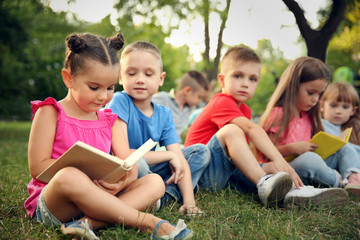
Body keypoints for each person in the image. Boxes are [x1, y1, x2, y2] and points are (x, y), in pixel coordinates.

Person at [24, 33, 192, 240]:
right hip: (57, 203)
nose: (103, 96)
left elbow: (126, 162)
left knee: (155, 182)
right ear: (69, 78)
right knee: (70, 175)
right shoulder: (50, 112)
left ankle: (88, 223)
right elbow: (38, 168)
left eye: (110, 88)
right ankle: (146, 221)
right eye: (94, 87)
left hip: (101, 197)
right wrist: (82, 176)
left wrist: (122, 182)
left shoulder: (108, 118)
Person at [184, 46, 303, 207]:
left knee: (273, 167)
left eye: (252, 79)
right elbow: (252, 130)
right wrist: (279, 158)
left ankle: (294, 193)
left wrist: (274, 165)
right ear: (221, 80)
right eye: (238, 76)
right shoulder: (221, 101)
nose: (245, 84)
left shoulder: (244, 110)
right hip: (200, 175)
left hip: (224, 176)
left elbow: (240, 154)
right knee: (231, 131)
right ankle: (264, 184)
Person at [106, 41, 210, 215]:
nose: (140, 79)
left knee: (200, 152)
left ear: (160, 79)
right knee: (137, 162)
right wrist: (169, 155)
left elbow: (178, 155)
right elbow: (123, 155)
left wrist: (190, 203)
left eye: (148, 74)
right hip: (124, 170)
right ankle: (150, 195)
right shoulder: (120, 101)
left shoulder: (164, 114)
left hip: (150, 169)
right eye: (131, 73)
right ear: (121, 78)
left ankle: (162, 197)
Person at [258, 56, 349, 205]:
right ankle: (338, 182)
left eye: (319, 94)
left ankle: (352, 177)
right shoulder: (278, 114)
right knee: (310, 160)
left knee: (345, 149)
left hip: (307, 167)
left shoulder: (307, 116)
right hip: (283, 171)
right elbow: (265, 154)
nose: (315, 99)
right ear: (293, 86)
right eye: (311, 93)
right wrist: (293, 148)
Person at [320, 82, 360, 194]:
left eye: (345, 107)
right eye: (333, 105)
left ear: (353, 110)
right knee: (346, 147)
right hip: (327, 161)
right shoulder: (320, 124)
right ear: (322, 106)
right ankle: (353, 179)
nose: (338, 111)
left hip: (342, 165)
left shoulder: (352, 128)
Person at [152, 70, 209, 142]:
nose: (199, 101)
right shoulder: (162, 98)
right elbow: (141, 112)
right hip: (158, 145)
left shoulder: (188, 109)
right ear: (187, 91)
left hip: (176, 146)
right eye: (199, 97)